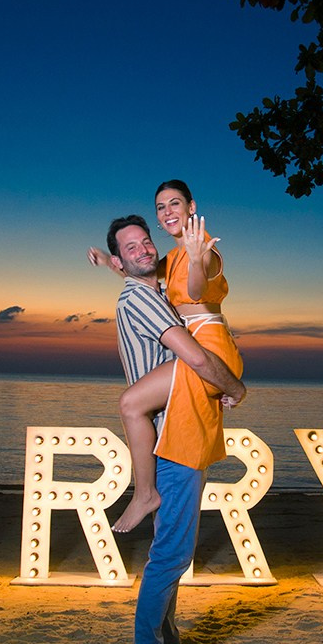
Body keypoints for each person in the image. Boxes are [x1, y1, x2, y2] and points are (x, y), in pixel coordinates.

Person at [106, 213, 247, 644]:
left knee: (169, 551)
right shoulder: (142, 298)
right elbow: (197, 358)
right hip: (174, 438)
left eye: (146, 241)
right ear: (125, 260)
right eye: (131, 247)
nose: (144, 248)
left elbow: (156, 274)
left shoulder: (150, 290)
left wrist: (111, 262)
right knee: (171, 556)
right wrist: (236, 388)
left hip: (181, 428)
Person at [88, 179, 243, 533]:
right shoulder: (171, 257)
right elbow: (143, 274)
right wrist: (108, 262)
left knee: (131, 403)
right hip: (197, 345)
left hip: (207, 345)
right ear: (157, 218)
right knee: (138, 407)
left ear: (192, 207)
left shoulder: (201, 249)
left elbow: (195, 288)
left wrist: (196, 257)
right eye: (161, 207)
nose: (168, 211)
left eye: (175, 203)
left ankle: (145, 494)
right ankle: (149, 495)